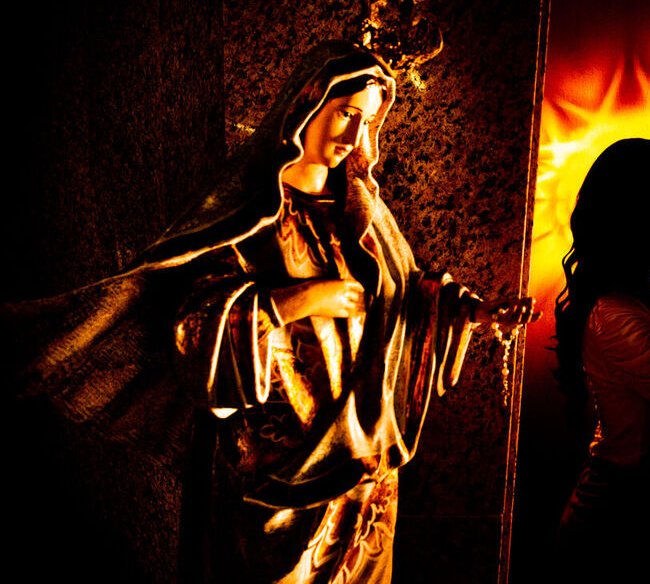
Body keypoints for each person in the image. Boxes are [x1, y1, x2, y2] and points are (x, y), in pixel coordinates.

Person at [5, 41, 536, 583]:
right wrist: (300, 300)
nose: (355, 136)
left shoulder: (363, 209)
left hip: (362, 461)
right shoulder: (247, 211)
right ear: (308, 105)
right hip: (275, 465)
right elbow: (195, 323)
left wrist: (471, 312)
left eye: (368, 121)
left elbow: (407, 290)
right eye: (346, 114)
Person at [552, 138, 650, 580]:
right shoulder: (617, 317)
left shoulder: (642, 297)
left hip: (634, 509)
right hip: (613, 523)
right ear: (639, 207)